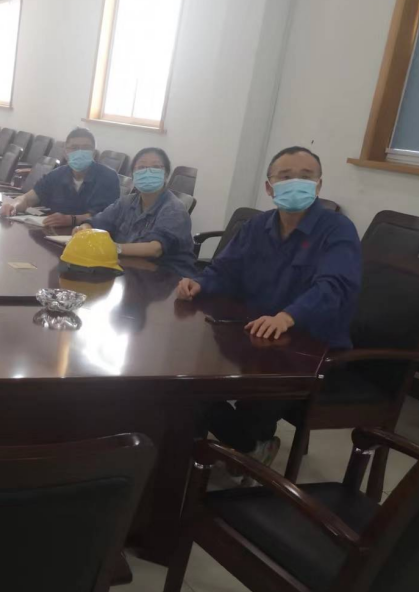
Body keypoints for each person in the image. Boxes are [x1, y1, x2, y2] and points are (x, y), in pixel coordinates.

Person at [176, 146, 362, 466]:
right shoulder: (256, 227)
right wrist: (200, 283)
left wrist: (289, 316)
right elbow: (225, 270)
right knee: (185, 382)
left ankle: (250, 447)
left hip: (311, 347)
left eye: (306, 177)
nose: (295, 183)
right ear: (269, 186)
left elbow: (335, 286)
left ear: (318, 185)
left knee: (219, 398)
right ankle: (235, 446)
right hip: (257, 335)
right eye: (285, 176)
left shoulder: (337, 229)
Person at [73, 147, 195, 277]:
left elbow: (155, 249)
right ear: (133, 175)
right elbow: (98, 222)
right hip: (131, 271)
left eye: (156, 167)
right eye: (141, 167)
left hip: (168, 278)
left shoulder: (174, 209)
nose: (148, 172)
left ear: (166, 175)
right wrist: (83, 229)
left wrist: (112, 248)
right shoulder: (126, 202)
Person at [0, 127, 120, 229]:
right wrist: (13, 205)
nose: (80, 152)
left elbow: (106, 215)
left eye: (86, 148)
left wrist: (71, 219)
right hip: (55, 234)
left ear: (93, 152)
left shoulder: (108, 177)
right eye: (74, 148)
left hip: (91, 237)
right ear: (65, 152)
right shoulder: (56, 175)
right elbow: (27, 199)